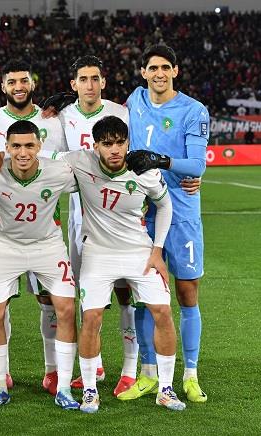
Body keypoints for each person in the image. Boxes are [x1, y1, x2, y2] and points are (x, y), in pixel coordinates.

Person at [57, 115, 185, 413]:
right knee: (91, 318)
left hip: (139, 252)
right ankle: (90, 390)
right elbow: (41, 156)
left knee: (163, 312)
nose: (114, 150)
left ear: (128, 143)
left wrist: (157, 250)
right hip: (98, 254)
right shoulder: (79, 161)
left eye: (119, 143)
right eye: (107, 144)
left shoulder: (144, 171)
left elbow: (165, 205)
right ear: (95, 146)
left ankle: (166, 389)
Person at [0, 60, 67, 396]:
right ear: (3, 86)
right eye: (12, 81)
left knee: (49, 300)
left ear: (32, 84)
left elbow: (65, 167)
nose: (18, 86)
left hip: (45, 227)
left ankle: (53, 372)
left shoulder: (52, 121)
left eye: (23, 81)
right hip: (3, 226)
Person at [122, 44, 210, 403]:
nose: (159, 73)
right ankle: (147, 373)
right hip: (142, 211)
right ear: (143, 72)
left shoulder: (193, 110)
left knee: (187, 291)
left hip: (182, 212)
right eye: (152, 68)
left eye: (165, 67)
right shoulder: (135, 99)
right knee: (146, 294)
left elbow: (197, 165)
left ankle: (190, 375)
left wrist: (161, 161)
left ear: (175, 71)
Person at [57, 55, 138, 396]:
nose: (89, 85)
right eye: (83, 79)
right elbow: (54, 160)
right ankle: (97, 364)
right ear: (73, 84)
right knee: (89, 297)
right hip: (82, 218)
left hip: (121, 219)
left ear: (103, 82)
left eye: (95, 78)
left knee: (126, 293)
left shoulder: (122, 113)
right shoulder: (62, 117)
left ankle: (131, 368)